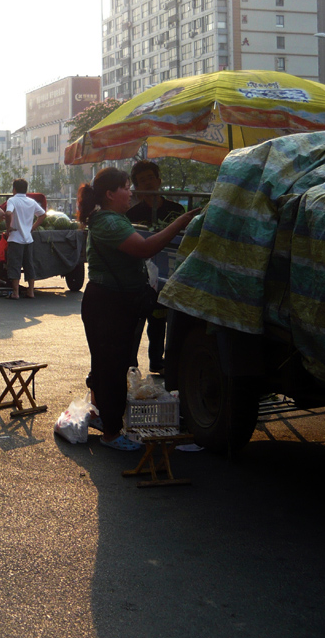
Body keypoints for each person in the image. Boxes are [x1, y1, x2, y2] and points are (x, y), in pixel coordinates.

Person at [78, 167, 198, 450]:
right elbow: (145, 249)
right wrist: (180, 222)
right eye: (126, 187)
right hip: (108, 304)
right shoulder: (109, 222)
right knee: (113, 367)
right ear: (110, 194)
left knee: (107, 363)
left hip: (107, 301)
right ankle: (110, 433)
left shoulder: (110, 218)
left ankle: (100, 416)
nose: (131, 192)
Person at [125, 160, 187, 374]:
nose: (148, 183)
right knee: (135, 319)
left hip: (169, 274)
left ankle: (157, 360)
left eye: (151, 178)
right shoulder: (130, 216)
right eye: (143, 181)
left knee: (159, 318)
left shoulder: (177, 211)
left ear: (159, 181)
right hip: (140, 276)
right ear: (137, 188)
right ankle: (130, 364)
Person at [4, 178, 46, 299]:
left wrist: (8, 227)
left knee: (14, 265)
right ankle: (31, 291)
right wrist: (32, 227)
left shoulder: (12, 200)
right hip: (28, 239)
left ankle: (15, 293)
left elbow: (7, 213)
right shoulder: (31, 201)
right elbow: (43, 215)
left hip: (15, 238)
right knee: (29, 265)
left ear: (14, 189)